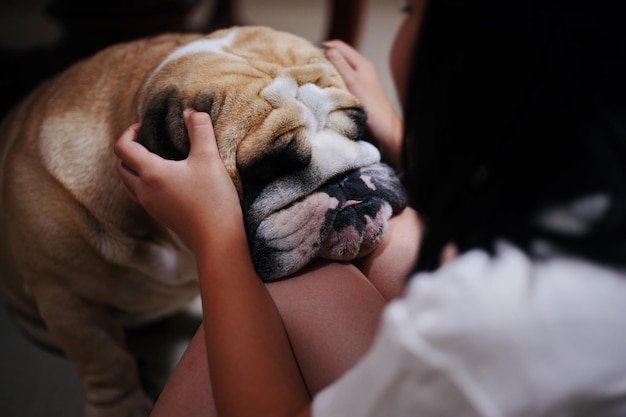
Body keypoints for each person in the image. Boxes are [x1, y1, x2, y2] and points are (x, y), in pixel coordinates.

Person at [115, 0, 626, 416]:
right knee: (387, 230)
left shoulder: (473, 328)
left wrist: (217, 236)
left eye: (409, 10)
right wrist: (402, 142)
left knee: (294, 279)